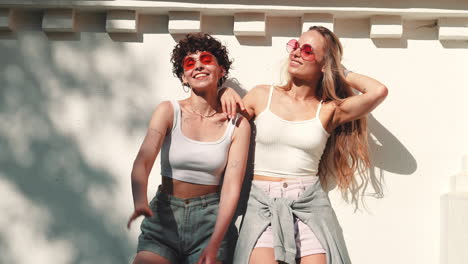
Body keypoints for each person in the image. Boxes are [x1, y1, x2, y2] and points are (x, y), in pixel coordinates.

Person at [220, 26, 388, 264]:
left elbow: (378, 91)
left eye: (307, 50)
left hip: (309, 205)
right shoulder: (261, 95)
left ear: (323, 64)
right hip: (262, 204)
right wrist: (224, 92)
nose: (296, 52)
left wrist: (339, 70)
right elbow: (223, 130)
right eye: (295, 45)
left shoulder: (329, 110)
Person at [127, 33, 251, 264]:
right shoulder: (168, 111)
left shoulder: (237, 124)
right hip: (164, 214)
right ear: (184, 77)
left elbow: (232, 188)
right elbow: (143, 161)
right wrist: (140, 202)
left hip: (211, 222)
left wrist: (215, 243)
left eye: (206, 59)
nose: (198, 66)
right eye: (189, 63)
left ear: (221, 70)